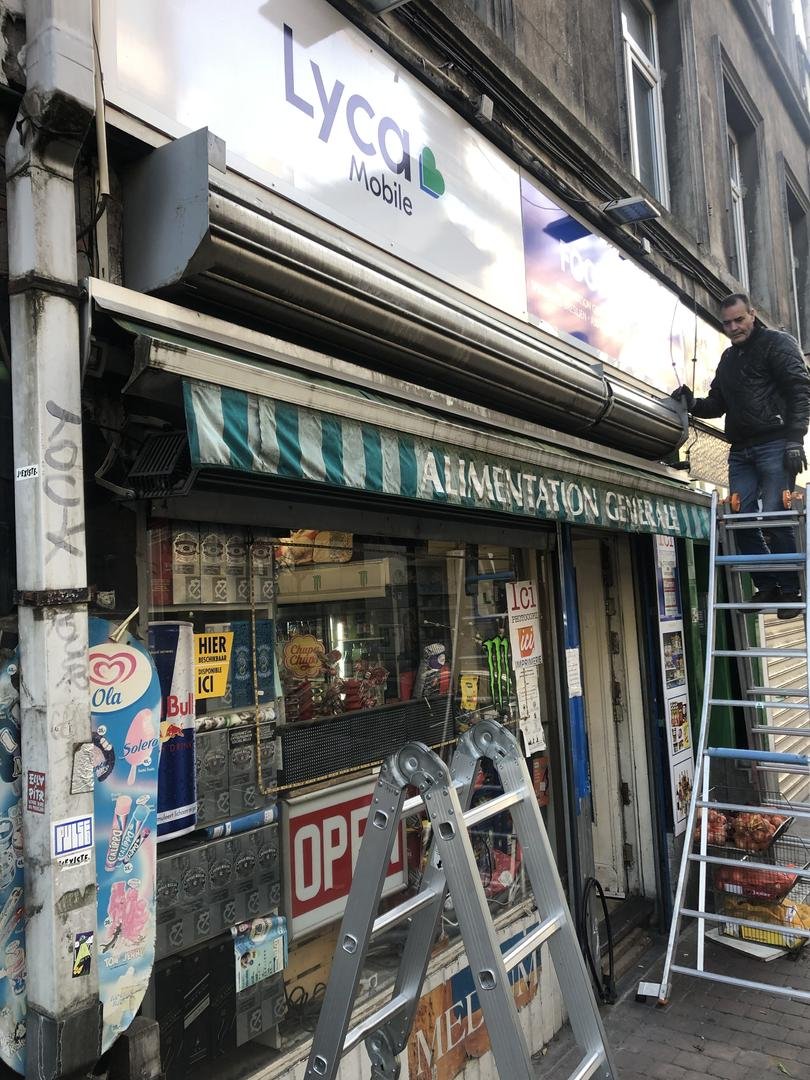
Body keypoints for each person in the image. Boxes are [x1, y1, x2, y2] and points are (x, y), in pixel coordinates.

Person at [673, 292, 810, 619]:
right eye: (727, 323)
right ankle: (767, 584)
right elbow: (717, 404)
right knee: (739, 519)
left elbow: (800, 388)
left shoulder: (778, 343)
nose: (734, 327)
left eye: (739, 320)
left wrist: (795, 439)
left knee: (775, 515)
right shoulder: (728, 359)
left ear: (752, 315)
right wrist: (692, 403)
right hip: (741, 450)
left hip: (776, 442)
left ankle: (790, 589)